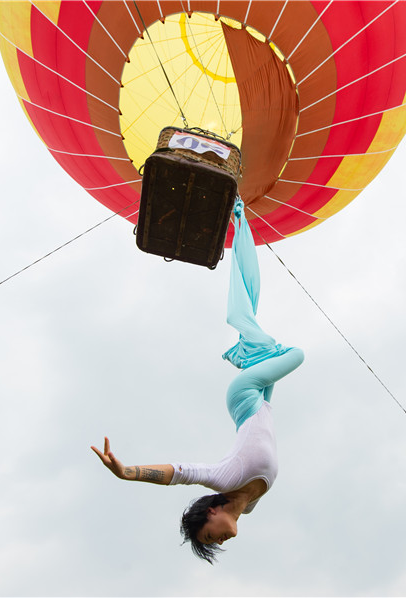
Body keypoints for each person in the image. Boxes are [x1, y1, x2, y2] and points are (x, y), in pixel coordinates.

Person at [91, 197, 304, 563]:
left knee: (294, 354)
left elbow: (180, 473)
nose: (220, 540)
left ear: (211, 512)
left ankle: (249, 343)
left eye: (211, 536)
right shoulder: (250, 506)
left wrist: (127, 472)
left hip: (244, 396)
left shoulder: (223, 479)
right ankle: (242, 238)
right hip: (262, 404)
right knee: (263, 333)